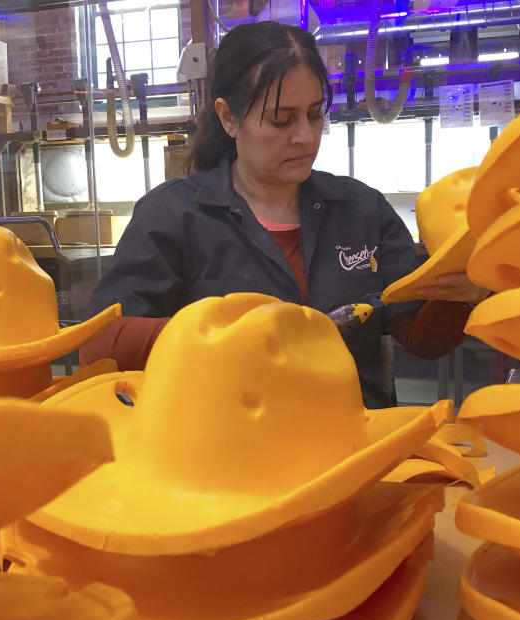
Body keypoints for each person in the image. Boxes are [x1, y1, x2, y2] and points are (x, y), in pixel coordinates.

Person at [80, 21, 489, 409]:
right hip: (230, 449)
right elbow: (100, 344)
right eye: (280, 120)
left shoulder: (361, 208)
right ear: (228, 118)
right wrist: (220, 336)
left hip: (357, 437)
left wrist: (459, 295)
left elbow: (421, 337)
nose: (306, 137)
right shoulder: (174, 214)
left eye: (314, 114)